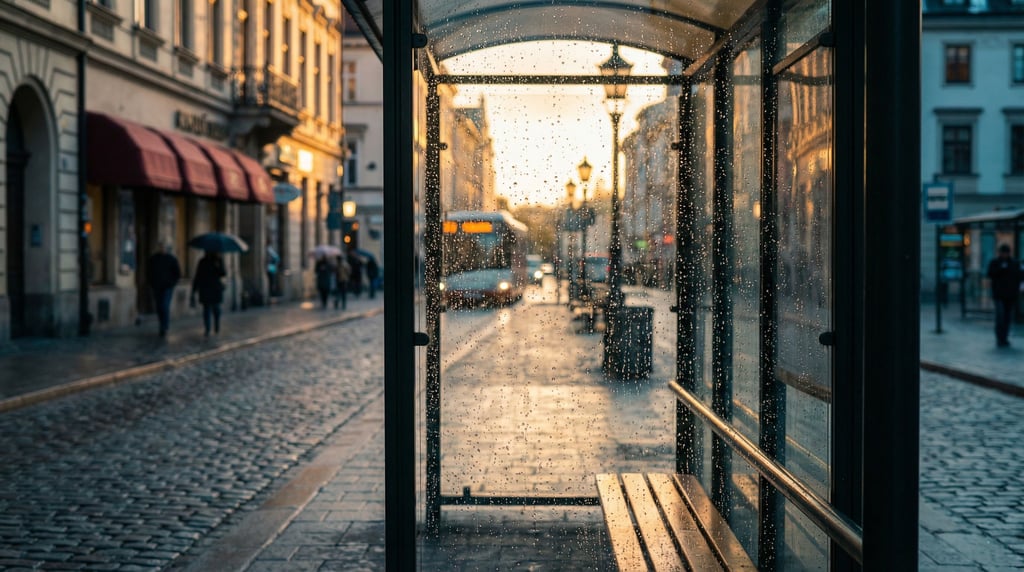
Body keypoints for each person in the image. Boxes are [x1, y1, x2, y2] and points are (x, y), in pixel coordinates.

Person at [987, 243, 1022, 347]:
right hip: (999, 295)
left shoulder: (1014, 263)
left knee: (1007, 317)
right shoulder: (995, 262)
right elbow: (990, 274)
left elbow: (1019, 276)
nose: (1004, 255)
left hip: (1010, 295)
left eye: (1006, 253)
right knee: (1000, 317)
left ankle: (1005, 338)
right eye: (1003, 253)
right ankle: (999, 338)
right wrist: (1001, 269)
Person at [147, 244, 181, 337]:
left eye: (163, 247)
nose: (162, 249)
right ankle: (161, 324)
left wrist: (172, 283)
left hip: (167, 287)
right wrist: (152, 283)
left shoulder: (171, 259)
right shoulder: (153, 259)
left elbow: (177, 273)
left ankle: (164, 326)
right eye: (160, 247)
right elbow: (149, 272)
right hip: (157, 287)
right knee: (159, 307)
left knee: (164, 306)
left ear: (167, 249)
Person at [192, 250, 227, 336]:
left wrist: (217, 266)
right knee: (206, 309)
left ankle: (216, 325)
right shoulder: (202, 262)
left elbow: (223, 273)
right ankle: (207, 328)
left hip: (215, 288)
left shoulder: (218, 261)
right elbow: (198, 275)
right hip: (205, 288)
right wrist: (194, 289)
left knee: (216, 309)